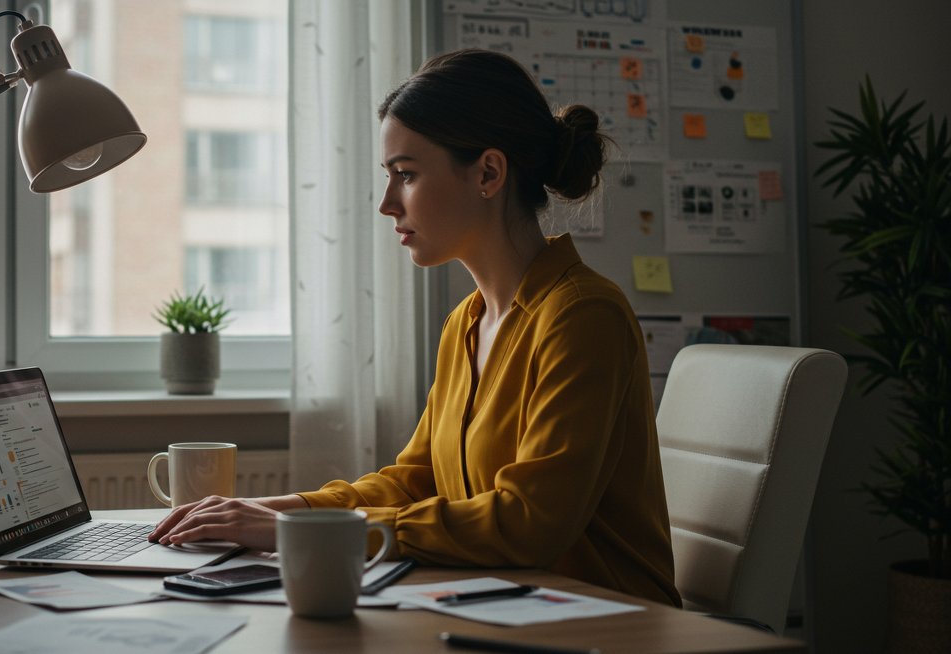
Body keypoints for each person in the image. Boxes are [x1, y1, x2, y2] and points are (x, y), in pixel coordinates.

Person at [149, 48, 681, 607]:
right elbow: (416, 480)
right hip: (504, 603)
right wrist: (280, 510)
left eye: (406, 175)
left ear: (489, 173)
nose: (385, 203)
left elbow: (529, 523)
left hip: (610, 619)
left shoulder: (582, 315)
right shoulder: (468, 322)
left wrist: (303, 532)